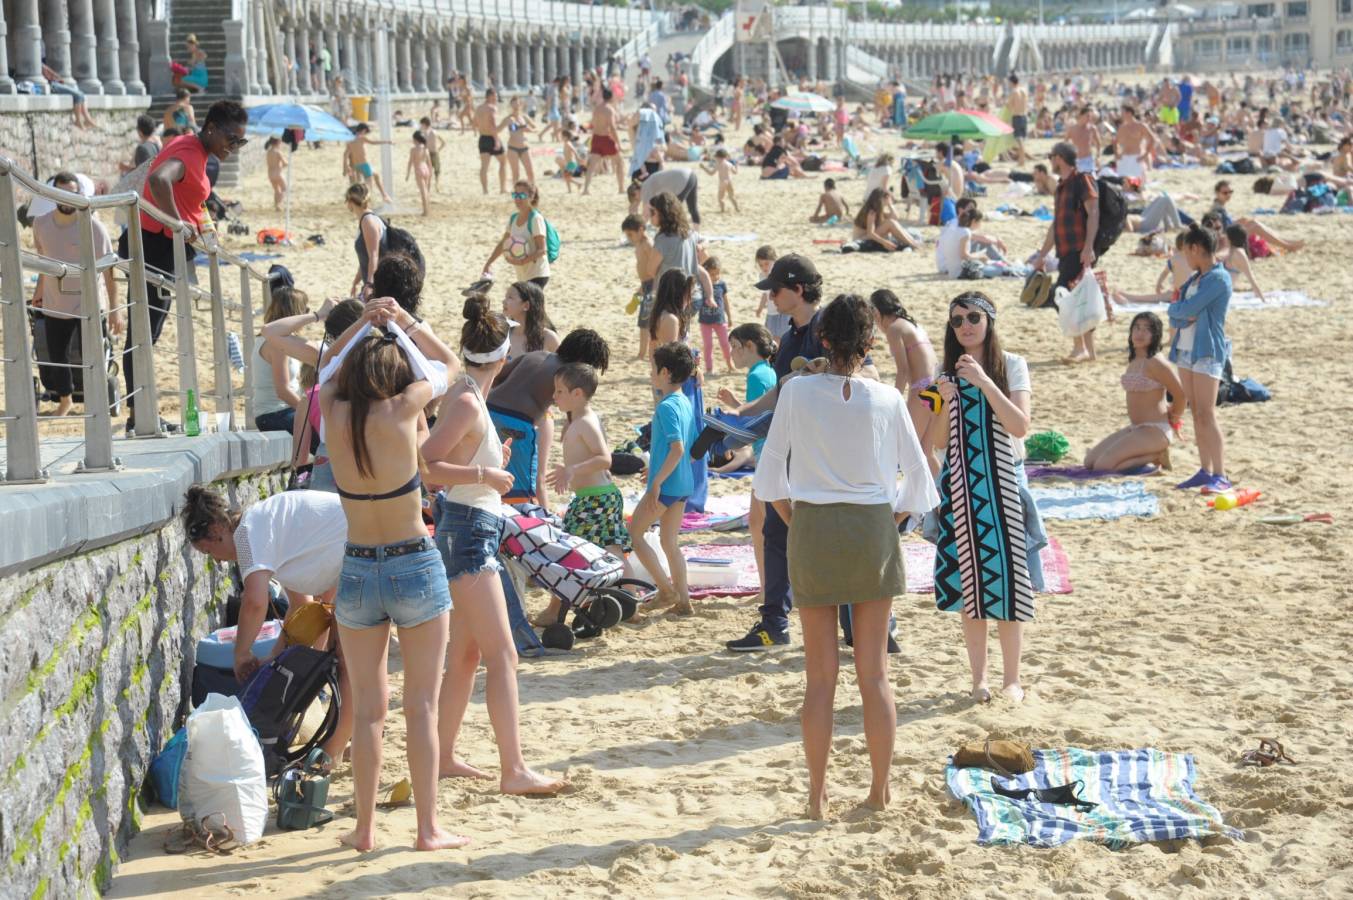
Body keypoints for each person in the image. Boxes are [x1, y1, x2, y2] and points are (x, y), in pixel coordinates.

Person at [754, 294, 937, 819]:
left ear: (824, 339)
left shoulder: (796, 393)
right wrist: (891, 524)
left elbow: (769, 479)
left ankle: (816, 797)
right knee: (874, 674)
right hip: (871, 527)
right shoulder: (886, 398)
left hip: (813, 525)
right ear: (871, 342)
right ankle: (879, 791)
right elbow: (919, 484)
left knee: (820, 676)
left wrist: (798, 524)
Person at [318, 296, 465, 852]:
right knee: (421, 705)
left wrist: (359, 324)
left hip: (357, 566)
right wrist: (402, 322)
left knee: (369, 714)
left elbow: (325, 368)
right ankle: (428, 829)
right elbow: (448, 365)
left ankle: (364, 829)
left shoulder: (332, 410)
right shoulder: (404, 408)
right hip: (412, 561)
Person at [420, 295, 567, 796]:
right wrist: (485, 472)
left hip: (470, 524)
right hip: (467, 532)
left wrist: (488, 462)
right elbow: (429, 465)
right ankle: (514, 769)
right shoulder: (465, 399)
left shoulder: (470, 396)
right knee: (504, 654)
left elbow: (449, 461)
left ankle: (442, 757)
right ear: (504, 360)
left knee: (466, 655)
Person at [724, 254, 880, 652]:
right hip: (793, 448)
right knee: (776, 531)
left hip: (828, 453)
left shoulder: (834, 324)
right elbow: (781, 388)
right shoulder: (789, 336)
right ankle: (773, 621)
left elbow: (871, 373)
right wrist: (742, 413)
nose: (771, 297)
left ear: (797, 289)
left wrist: (819, 373)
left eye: (775, 289)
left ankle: (854, 624)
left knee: (833, 535)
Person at [927, 292, 1043, 705]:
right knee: (969, 586)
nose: (965, 326)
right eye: (957, 321)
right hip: (962, 487)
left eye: (973, 317)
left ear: (990, 320)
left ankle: (1013, 679)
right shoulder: (943, 372)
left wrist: (984, 382)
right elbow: (936, 442)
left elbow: (1020, 425)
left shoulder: (1012, 365)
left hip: (1004, 487)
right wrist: (946, 400)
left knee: (1010, 583)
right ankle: (979, 679)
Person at [181, 486, 353, 762]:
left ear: (216, 529)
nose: (215, 559)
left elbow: (255, 603)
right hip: (353, 549)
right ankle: (342, 740)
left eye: (208, 550)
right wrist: (274, 658)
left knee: (348, 667)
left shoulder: (248, 535)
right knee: (340, 663)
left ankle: (333, 753)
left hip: (361, 550)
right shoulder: (265, 529)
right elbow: (304, 608)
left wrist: (242, 654)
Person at [121, 100, 248, 435]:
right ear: (211, 129)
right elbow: (160, 180)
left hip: (158, 245)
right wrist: (177, 223)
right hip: (153, 245)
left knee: (148, 331)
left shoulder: (194, 149)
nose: (234, 148)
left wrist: (200, 223)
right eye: (232, 139)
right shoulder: (190, 152)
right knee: (144, 332)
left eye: (241, 142)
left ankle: (140, 413)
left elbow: (188, 195)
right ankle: (139, 416)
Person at [543, 361, 632, 622]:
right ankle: (630, 600)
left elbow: (605, 459)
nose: (554, 396)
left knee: (569, 550)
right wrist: (569, 471)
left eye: (559, 391)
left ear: (577, 394)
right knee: (611, 550)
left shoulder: (585, 422)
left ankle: (553, 611)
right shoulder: (579, 420)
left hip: (596, 498)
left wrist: (572, 470)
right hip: (593, 496)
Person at [31, 172, 122, 417]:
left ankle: (97, 398)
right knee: (57, 356)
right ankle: (65, 400)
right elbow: (43, 263)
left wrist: (115, 310)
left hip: (89, 304)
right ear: (53, 194)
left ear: (80, 195)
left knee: (91, 355)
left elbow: (109, 273)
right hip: (54, 302)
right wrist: (37, 294)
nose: (67, 199)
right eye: (62, 193)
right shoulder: (40, 224)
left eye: (73, 193)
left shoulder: (94, 227)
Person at [488, 329, 611, 508]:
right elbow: (577, 406)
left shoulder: (537, 355)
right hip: (517, 424)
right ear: (583, 362)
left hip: (489, 411)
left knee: (493, 473)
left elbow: (498, 377)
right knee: (521, 491)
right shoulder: (568, 374)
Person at [630, 342, 698, 615]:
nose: (650, 374)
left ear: (666, 372)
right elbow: (691, 453)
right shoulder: (685, 401)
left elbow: (678, 447)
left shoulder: (667, 406)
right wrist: (658, 469)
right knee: (670, 543)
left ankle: (666, 591)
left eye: (653, 370)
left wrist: (657, 482)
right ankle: (684, 602)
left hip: (666, 488)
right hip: (682, 484)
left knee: (635, 534)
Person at [1168, 225, 1233, 494]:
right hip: (1186, 350)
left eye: (1186, 251)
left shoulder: (1218, 279)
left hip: (1207, 351)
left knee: (1207, 414)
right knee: (1197, 413)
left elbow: (1189, 309)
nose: (1185, 257)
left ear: (1196, 248)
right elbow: (1174, 313)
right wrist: (1180, 311)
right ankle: (1205, 470)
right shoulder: (1195, 279)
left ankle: (1221, 474)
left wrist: (1181, 311)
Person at [1083, 312, 1184, 473]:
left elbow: (1181, 393)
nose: (1140, 333)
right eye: (1136, 328)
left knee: (1102, 467)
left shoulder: (1156, 362)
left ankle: (1155, 457)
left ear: (1155, 334)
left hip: (1155, 430)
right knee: (1089, 462)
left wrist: (1175, 418)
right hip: (1136, 428)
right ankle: (1152, 456)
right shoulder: (1135, 359)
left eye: (1146, 329)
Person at [1032, 142, 1100, 362]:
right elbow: (1056, 224)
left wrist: (1089, 246)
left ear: (1059, 158)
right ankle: (1089, 351)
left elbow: (1094, 213)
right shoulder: (1061, 186)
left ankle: (1080, 348)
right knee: (1080, 298)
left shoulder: (1082, 179)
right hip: (1066, 251)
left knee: (1064, 295)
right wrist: (1042, 255)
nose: (1050, 161)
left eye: (1052, 157)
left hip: (1079, 250)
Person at [869, 290, 937, 451]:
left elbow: (903, 371)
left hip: (922, 388)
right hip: (937, 386)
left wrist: (894, 400)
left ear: (877, 312)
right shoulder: (914, 324)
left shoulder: (894, 329)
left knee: (908, 449)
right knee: (925, 452)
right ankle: (939, 478)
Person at [251, 286, 312, 434]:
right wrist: (311, 414)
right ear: (295, 313)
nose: (307, 314)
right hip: (275, 414)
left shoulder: (270, 339)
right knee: (326, 434)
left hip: (277, 411)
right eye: (305, 310)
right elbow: (283, 391)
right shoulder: (277, 345)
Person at [481, 181, 551, 290]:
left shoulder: (535, 218)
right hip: (523, 275)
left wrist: (521, 262)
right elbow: (503, 243)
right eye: (515, 195)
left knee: (527, 305)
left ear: (531, 196)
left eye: (522, 195)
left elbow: (542, 250)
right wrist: (489, 263)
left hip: (538, 273)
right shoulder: (513, 218)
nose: (517, 199)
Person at [622, 214, 661, 360]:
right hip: (645, 285)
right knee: (645, 321)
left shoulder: (647, 244)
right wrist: (638, 292)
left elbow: (656, 267)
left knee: (645, 322)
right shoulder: (638, 244)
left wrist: (654, 288)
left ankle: (642, 353)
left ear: (641, 230)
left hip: (652, 285)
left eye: (631, 234)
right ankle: (645, 352)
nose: (629, 238)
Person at [845, 188, 921, 253]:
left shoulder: (877, 210)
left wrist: (890, 205)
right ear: (882, 199)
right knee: (889, 223)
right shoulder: (871, 212)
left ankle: (912, 243)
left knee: (891, 222)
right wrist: (885, 242)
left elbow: (895, 218)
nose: (888, 201)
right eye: (887, 199)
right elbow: (870, 233)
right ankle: (913, 244)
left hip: (867, 237)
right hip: (862, 239)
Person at [345, 183, 387, 298]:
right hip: (376, 282)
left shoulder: (368, 221)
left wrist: (369, 284)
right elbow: (366, 258)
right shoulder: (367, 220)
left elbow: (374, 256)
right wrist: (356, 281)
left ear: (350, 202)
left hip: (380, 284)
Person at [583, 87, 626, 195]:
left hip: (596, 137)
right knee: (619, 162)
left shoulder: (597, 108)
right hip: (606, 138)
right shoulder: (609, 109)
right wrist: (618, 143)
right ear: (611, 97)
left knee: (592, 165)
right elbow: (612, 127)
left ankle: (586, 189)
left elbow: (592, 123)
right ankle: (621, 188)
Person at [503, 281, 559, 360]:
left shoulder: (548, 338)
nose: (504, 301)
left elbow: (562, 368)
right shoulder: (503, 333)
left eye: (510, 297)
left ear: (526, 305)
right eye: (505, 297)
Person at [698, 256, 733, 374]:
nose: (715, 277)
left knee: (725, 343)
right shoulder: (702, 285)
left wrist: (729, 316)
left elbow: (726, 301)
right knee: (708, 345)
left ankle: (729, 364)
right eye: (712, 274)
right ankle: (709, 368)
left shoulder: (722, 285)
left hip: (720, 320)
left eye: (717, 274)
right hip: (705, 321)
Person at [343, 124, 392, 203]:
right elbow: (373, 142)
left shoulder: (350, 141)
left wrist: (345, 168)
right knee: (369, 188)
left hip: (356, 166)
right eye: (365, 132)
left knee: (376, 175)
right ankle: (368, 202)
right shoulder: (361, 138)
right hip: (365, 165)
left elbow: (345, 155)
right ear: (363, 130)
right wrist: (386, 142)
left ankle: (384, 195)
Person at [41, 61, 98, 129]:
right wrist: (55, 76)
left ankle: (87, 119)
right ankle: (78, 120)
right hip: (51, 85)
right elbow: (46, 70)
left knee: (81, 94)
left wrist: (56, 76)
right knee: (78, 95)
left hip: (54, 82)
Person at [475, 89, 509, 195]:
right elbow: (493, 124)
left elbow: (475, 123)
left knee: (484, 166)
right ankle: (502, 189)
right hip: (492, 138)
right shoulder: (492, 108)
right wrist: (496, 140)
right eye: (494, 96)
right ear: (489, 96)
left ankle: (485, 190)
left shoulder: (479, 108)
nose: (496, 99)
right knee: (503, 162)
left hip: (482, 138)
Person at [1220, 224, 1266, 301]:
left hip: (1221, 292)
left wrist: (1262, 299)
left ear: (1231, 239)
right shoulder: (1230, 250)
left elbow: (1251, 278)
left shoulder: (1239, 253)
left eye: (1226, 236)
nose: (1224, 237)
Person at [752, 245, 788, 339]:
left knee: (782, 337)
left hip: (782, 313)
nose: (764, 267)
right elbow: (765, 294)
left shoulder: (780, 275)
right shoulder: (762, 276)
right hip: (771, 313)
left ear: (775, 261)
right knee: (771, 337)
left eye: (767, 264)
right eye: (761, 265)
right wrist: (760, 308)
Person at [1112, 105, 1157, 179]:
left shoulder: (1141, 126)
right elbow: (1115, 141)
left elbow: (1152, 139)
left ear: (1129, 113)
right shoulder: (1122, 127)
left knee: (1136, 186)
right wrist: (1117, 154)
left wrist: (1145, 154)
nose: (1121, 115)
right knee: (1123, 184)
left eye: (1122, 113)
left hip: (1136, 158)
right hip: (1124, 157)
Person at [502, 96, 535, 187]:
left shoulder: (524, 116)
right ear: (511, 105)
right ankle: (517, 196)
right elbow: (501, 128)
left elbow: (534, 126)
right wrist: (522, 128)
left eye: (518, 103)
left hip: (524, 147)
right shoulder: (509, 118)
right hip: (513, 148)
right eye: (514, 103)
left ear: (521, 104)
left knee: (530, 173)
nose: (516, 105)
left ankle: (531, 195)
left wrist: (529, 129)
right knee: (516, 174)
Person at [703, 148, 740, 213]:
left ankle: (722, 210)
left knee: (720, 198)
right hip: (729, 181)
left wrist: (704, 168)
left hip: (723, 182)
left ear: (717, 157)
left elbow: (711, 173)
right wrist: (736, 165)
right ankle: (737, 208)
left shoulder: (718, 164)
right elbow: (735, 172)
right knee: (732, 196)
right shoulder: (729, 164)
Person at [1067, 106, 1101, 173]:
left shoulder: (1092, 128)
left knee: (1091, 180)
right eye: (1087, 116)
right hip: (1076, 160)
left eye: (1090, 116)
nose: (1089, 118)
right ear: (1081, 115)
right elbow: (1065, 142)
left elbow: (1098, 142)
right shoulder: (1072, 129)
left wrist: (1098, 156)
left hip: (1088, 159)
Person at [418, 116, 446, 192]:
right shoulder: (434, 132)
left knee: (429, 171)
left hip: (428, 154)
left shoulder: (424, 133)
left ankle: (429, 187)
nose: (421, 126)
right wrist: (438, 150)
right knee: (436, 171)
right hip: (434, 153)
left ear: (424, 124)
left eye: (421, 124)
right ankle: (436, 186)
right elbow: (443, 143)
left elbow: (422, 144)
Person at [1007, 74, 1029, 164]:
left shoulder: (1014, 92)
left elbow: (1009, 105)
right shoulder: (1024, 90)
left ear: (1012, 82)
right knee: (1022, 139)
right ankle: (1022, 158)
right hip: (1024, 116)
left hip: (1017, 116)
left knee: (1019, 139)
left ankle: (1022, 159)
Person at [265, 137, 288, 211]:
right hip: (278, 173)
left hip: (270, 173)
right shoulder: (278, 152)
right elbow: (284, 163)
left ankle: (276, 205)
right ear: (278, 142)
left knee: (276, 190)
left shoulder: (268, 152)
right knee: (284, 189)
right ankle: (279, 204)